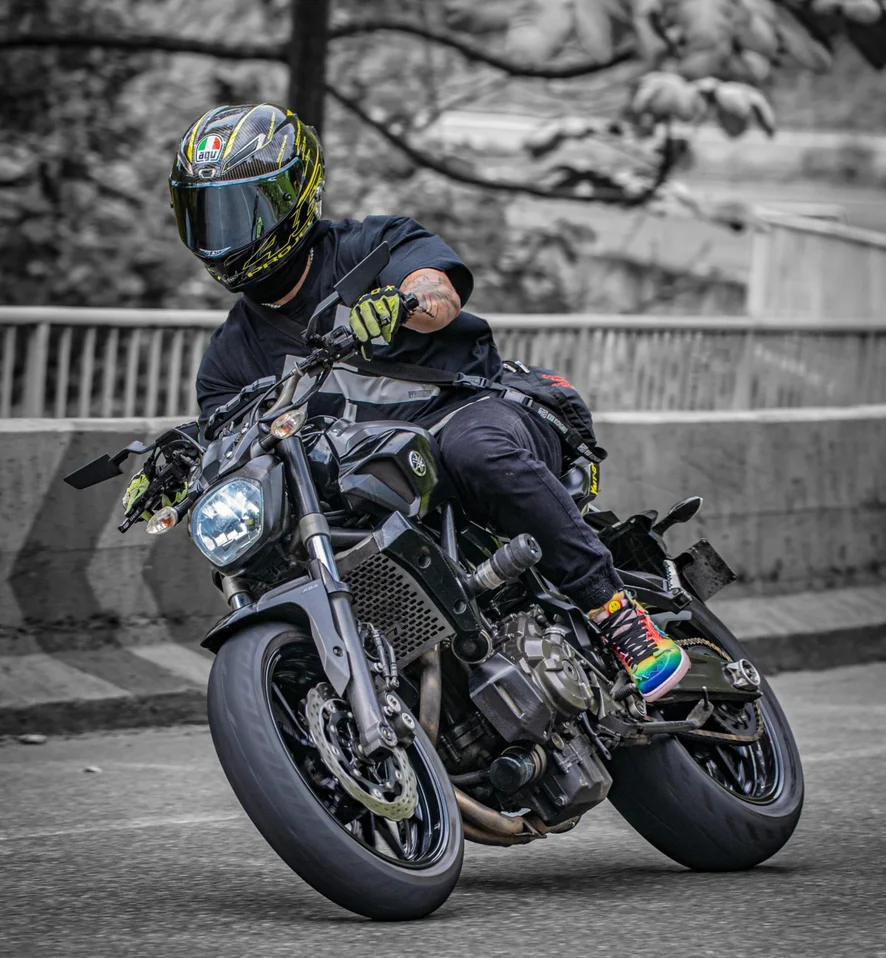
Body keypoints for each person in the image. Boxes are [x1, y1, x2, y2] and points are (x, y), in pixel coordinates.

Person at [166, 103, 690, 701]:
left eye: (239, 211)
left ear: (291, 196)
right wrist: (185, 461)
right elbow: (234, 441)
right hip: (371, 477)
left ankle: (617, 613)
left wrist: (403, 305)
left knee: (474, 449)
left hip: (467, 413)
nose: (223, 235)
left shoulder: (372, 246)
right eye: (207, 215)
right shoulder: (228, 358)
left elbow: (437, 289)